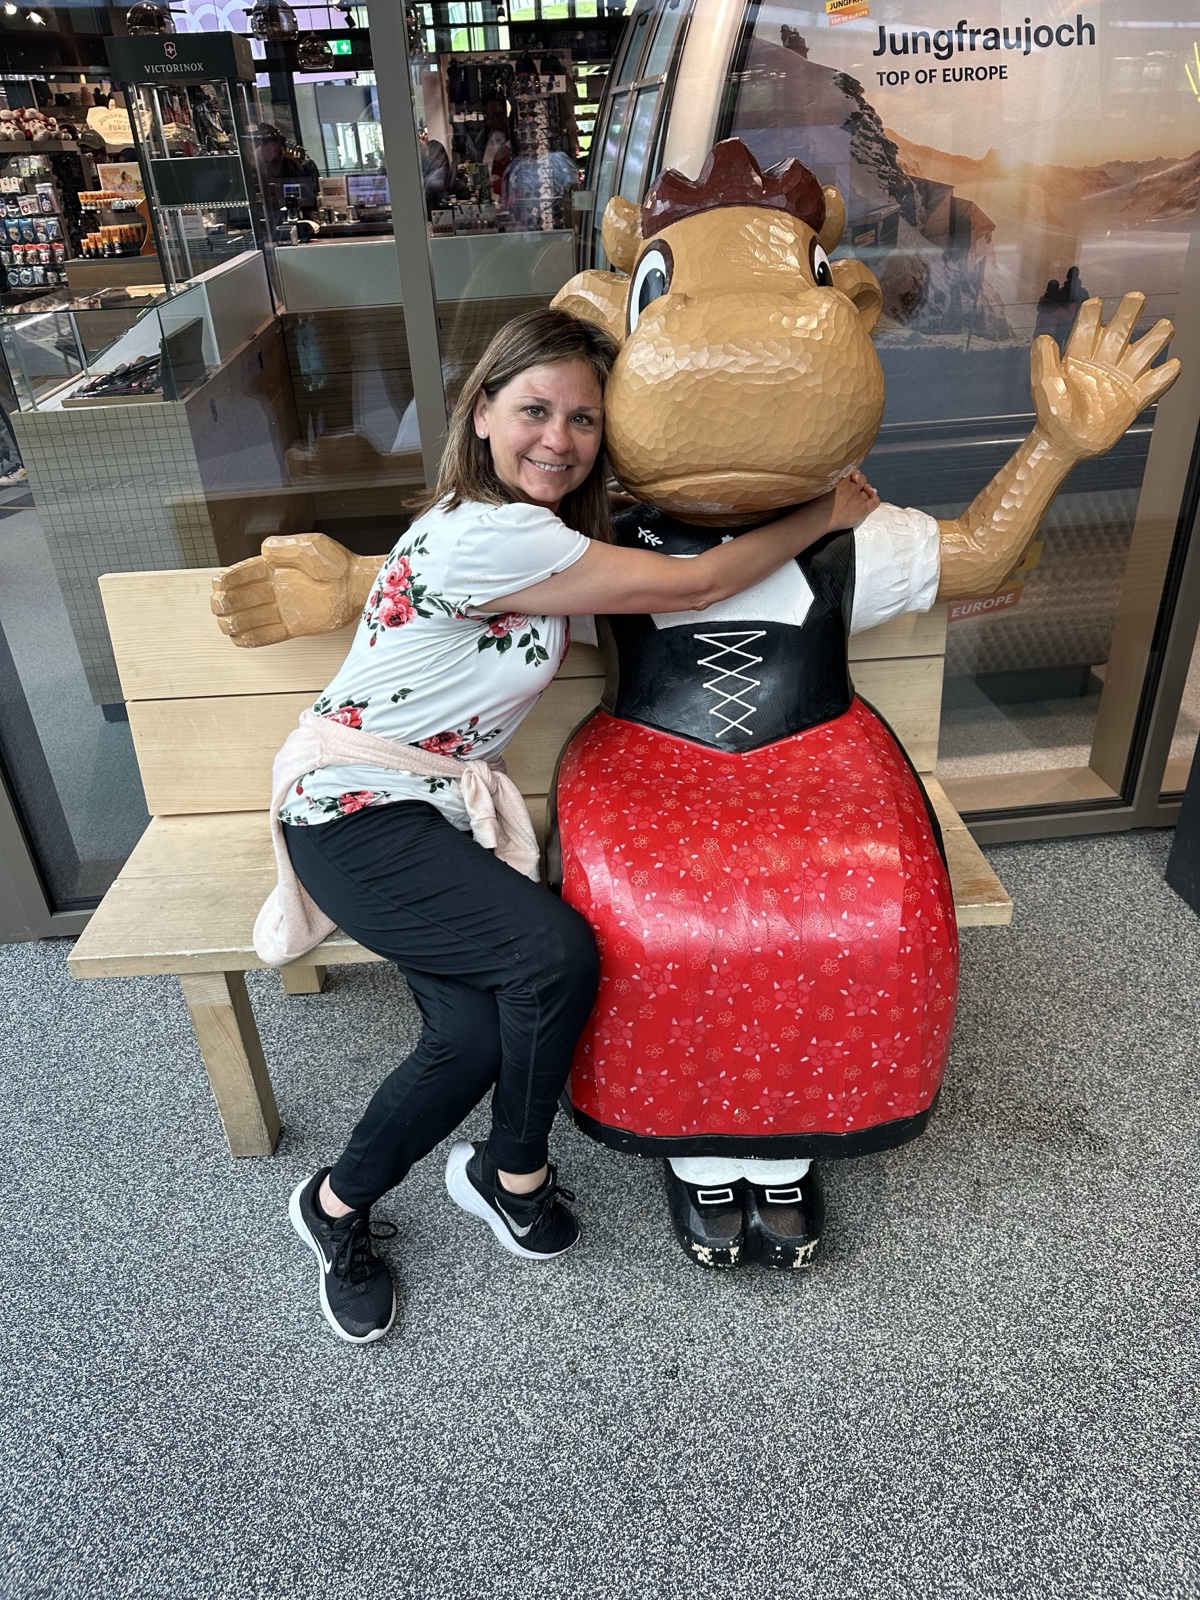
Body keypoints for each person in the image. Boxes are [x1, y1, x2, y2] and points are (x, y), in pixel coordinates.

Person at [273, 307, 880, 1344]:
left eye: (585, 419)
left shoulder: (539, 535)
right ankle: (493, 1176)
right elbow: (700, 582)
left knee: (472, 1032)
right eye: (535, 410)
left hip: (424, 812)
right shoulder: (491, 531)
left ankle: (370, 1197)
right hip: (352, 812)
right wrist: (828, 508)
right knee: (553, 953)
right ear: (480, 415)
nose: (558, 438)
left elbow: (655, 579)